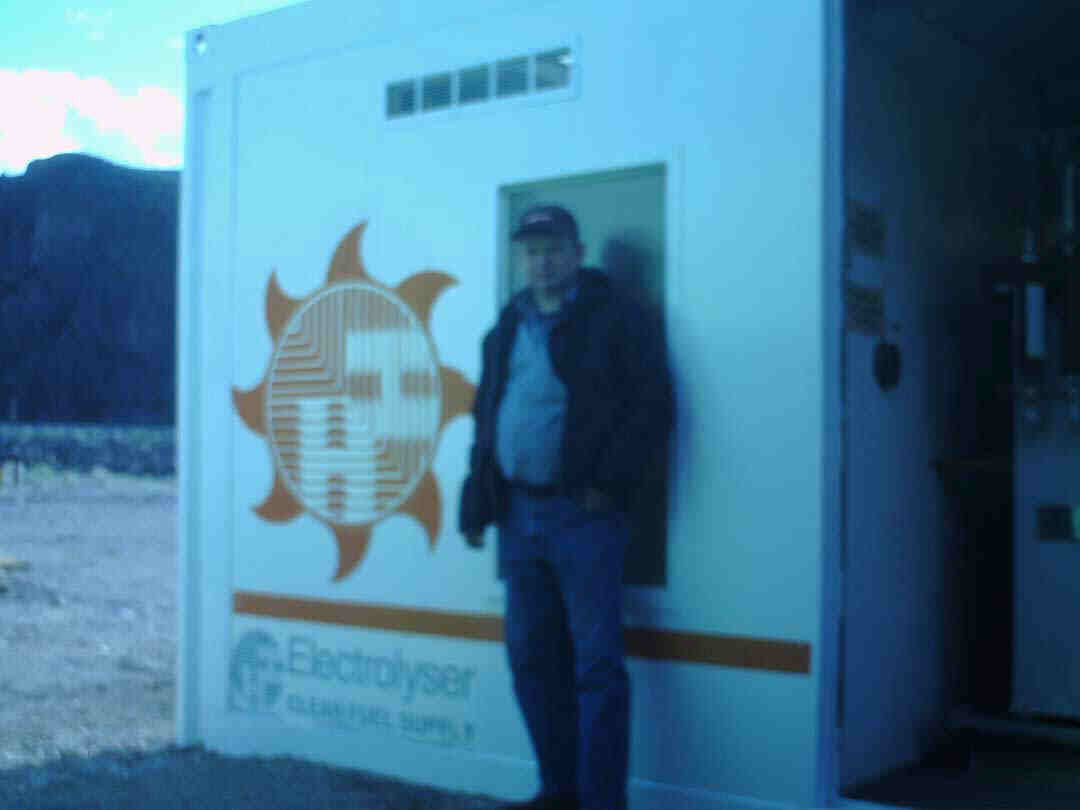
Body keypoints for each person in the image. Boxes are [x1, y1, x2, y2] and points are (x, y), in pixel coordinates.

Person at [459, 204, 674, 810]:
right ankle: (559, 792)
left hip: (585, 519)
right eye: (531, 251)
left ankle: (602, 803)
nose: (542, 261)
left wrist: (609, 484)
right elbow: (486, 416)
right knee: (529, 661)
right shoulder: (506, 327)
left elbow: (653, 409)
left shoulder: (616, 320)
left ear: (578, 254)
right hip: (519, 518)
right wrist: (476, 497)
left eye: (553, 249)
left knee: (597, 669)